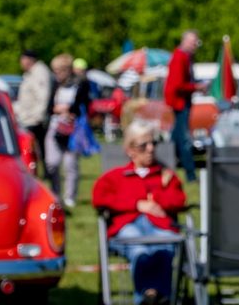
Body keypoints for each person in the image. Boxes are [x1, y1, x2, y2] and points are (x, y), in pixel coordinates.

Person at [92, 123, 186, 304]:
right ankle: (151, 295)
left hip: (159, 226)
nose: (150, 149)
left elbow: (179, 201)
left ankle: (152, 296)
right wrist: (136, 204)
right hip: (127, 226)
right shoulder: (116, 177)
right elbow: (100, 200)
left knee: (164, 247)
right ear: (130, 150)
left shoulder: (165, 175)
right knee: (140, 251)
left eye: (153, 144)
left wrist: (158, 196)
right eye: (144, 145)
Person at [45, 54, 90, 209]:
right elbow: (49, 107)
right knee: (52, 163)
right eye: (55, 71)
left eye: (59, 70)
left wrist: (69, 110)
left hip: (73, 129)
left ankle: (70, 197)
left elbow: (84, 105)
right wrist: (56, 110)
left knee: (70, 164)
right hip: (55, 126)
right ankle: (55, 194)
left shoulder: (80, 84)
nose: (57, 74)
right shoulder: (54, 85)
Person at [164, 29, 206, 181]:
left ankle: (165, 166)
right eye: (193, 42)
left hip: (181, 102)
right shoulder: (180, 57)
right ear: (186, 41)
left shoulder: (185, 57)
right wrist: (196, 87)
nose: (195, 45)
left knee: (175, 139)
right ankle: (190, 174)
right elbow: (177, 85)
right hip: (179, 103)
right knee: (185, 140)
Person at [14, 50, 53, 174]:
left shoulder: (39, 72)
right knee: (34, 149)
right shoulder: (30, 73)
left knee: (36, 148)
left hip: (34, 119)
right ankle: (36, 170)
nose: (21, 62)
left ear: (29, 59)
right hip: (28, 117)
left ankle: (44, 172)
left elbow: (43, 96)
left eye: (23, 59)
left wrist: (38, 116)